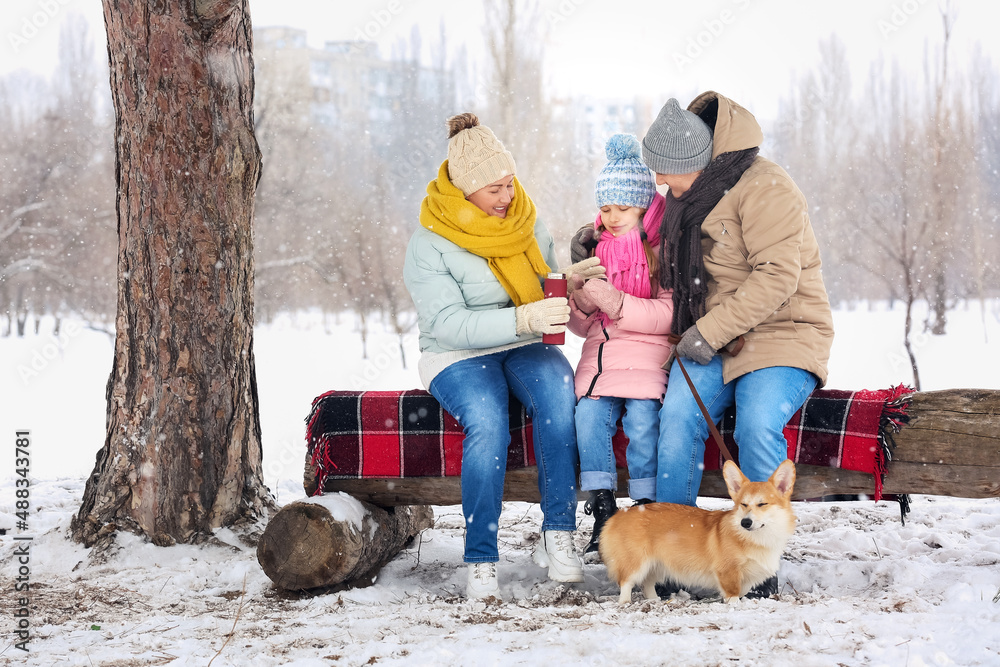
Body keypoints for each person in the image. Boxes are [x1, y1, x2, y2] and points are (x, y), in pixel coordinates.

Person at [572, 92, 834, 597]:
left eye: (665, 173)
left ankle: (759, 572)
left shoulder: (768, 189)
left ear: (694, 162)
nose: (660, 185)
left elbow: (777, 278)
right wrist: (597, 240)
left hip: (782, 332)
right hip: (712, 335)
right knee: (678, 417)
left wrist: (707, 332)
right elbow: (640, 235)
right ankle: (671, 556)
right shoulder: (684, 197)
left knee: (757, 420)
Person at [403, 113, 605, 600]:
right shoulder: (430, 243)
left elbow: (541, 280)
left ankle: (559, 533)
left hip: (524, 342)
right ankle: (481, 558)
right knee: (488, 421)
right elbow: (449, 323)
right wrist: (522, 319)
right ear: (465, 189)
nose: (507, 197)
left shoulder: (526, 224)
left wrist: (568, 282)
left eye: (510, 184)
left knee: (560, 398)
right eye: (494, 188)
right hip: (456, 353)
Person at [566, 134, 674, 554]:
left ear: (644, 208)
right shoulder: (597, 253)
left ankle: (645, 509)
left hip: (647, 362)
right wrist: (575, 298)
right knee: (588, 421)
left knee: (644, 424)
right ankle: (604, 510)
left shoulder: (659, 254)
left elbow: (667, 315)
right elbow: (584, 325)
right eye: (606, 208)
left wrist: (616, 300)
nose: (612, 217)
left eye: (623, 208)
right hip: (599, 364)